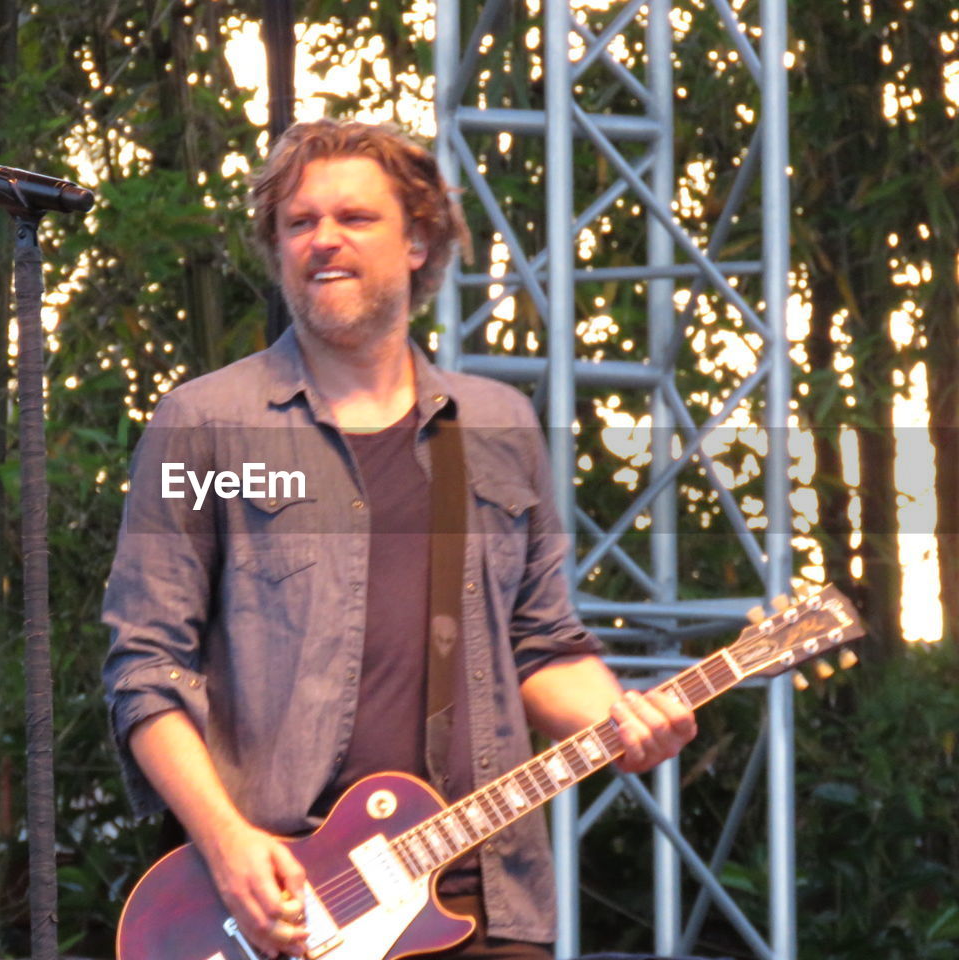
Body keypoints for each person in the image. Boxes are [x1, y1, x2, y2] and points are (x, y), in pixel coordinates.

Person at [101, 118, 696, 960]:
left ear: (418, 240)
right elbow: (147, 668)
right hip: (282, 906)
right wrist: (228, 845)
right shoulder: (206, 425)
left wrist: (624, 722)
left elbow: (542, 645)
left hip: (482, 903)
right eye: (299, 223)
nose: (323, 241)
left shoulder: (498, 426)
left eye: (355, 218)